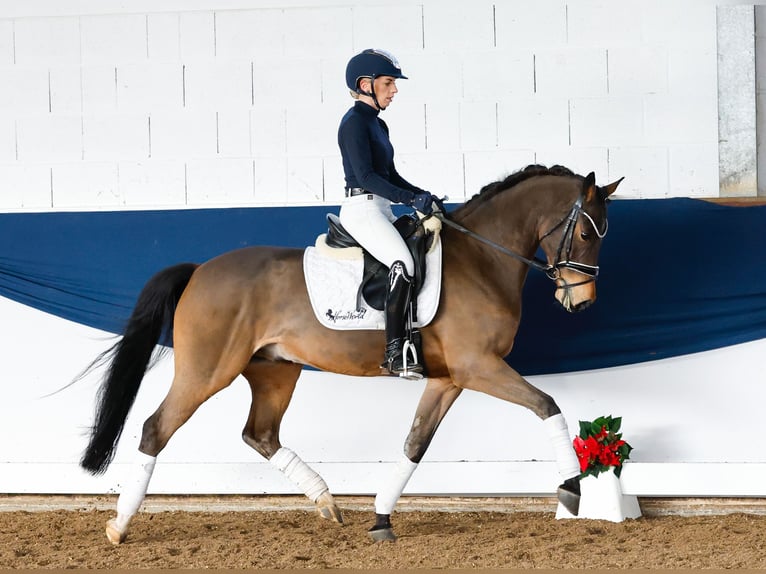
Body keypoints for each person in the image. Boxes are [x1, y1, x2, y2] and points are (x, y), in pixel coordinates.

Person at [338, 48, 438, 378]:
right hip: (361, 209)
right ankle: (395, 351)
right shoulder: (353, 123)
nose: (394, 91)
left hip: (380, 207)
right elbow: (367, 177)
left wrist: (420, 195)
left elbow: (390, 176)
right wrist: (410, 199)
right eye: (388, 83)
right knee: (403, 263)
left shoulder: (379, 126)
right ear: (365, 84)